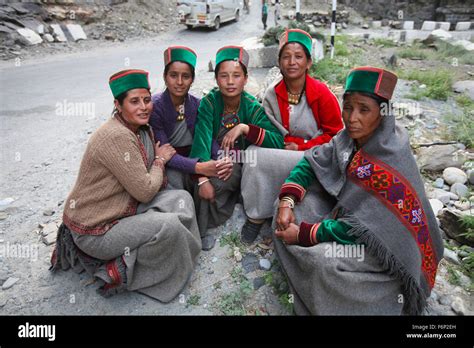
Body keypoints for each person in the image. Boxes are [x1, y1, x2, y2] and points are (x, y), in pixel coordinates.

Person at [273, 66, 444, 315]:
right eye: (348, 107)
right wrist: (287, 201)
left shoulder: (391, 156)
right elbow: (312, 160)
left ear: (382, 114)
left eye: (364, 109)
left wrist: (307, 234)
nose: (352, 118)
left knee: (324, 266)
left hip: (385, 246)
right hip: (349, 218)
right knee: (284, 206)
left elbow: (370, 229)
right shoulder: (347, 138)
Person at [50, 69, 202, 302]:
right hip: (97, 229)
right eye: (134, 101)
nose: (143, 107)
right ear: (118, 105)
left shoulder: (139, 128)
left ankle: (180, 258)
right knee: (169, 226)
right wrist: (161, 160)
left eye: (147, 100)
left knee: (181, 199)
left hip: (122, 208)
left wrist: (158, 166)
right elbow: (145, 189)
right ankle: (125, 270)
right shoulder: (116, 135)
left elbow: (147, 179)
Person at [240, 29, 343, 244]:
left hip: (316, 158)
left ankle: (276, 207)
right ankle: (256, 216)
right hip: (282, 151)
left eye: (298, 56)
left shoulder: (323, 94)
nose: (292, 62)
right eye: (286, 57)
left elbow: (336, 136)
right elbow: (271, 131)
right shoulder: (271, 94)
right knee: (252, 154)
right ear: (279, 62)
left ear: (309, 62)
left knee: (260, 159)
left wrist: (303, 146)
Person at [189, 45, 284, 237]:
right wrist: (202, 177)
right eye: (224, 76)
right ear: (216, 79)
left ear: (246, 79)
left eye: (236, 75)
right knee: (200, 183)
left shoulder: (252, 107)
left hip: (242, 163)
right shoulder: (209, 103)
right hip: (214, 160)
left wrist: (245, 128)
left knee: (221, 182)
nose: (230, 82)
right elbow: (202, 139)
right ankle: (200, 228)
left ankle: (207, 226)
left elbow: (277, 141)